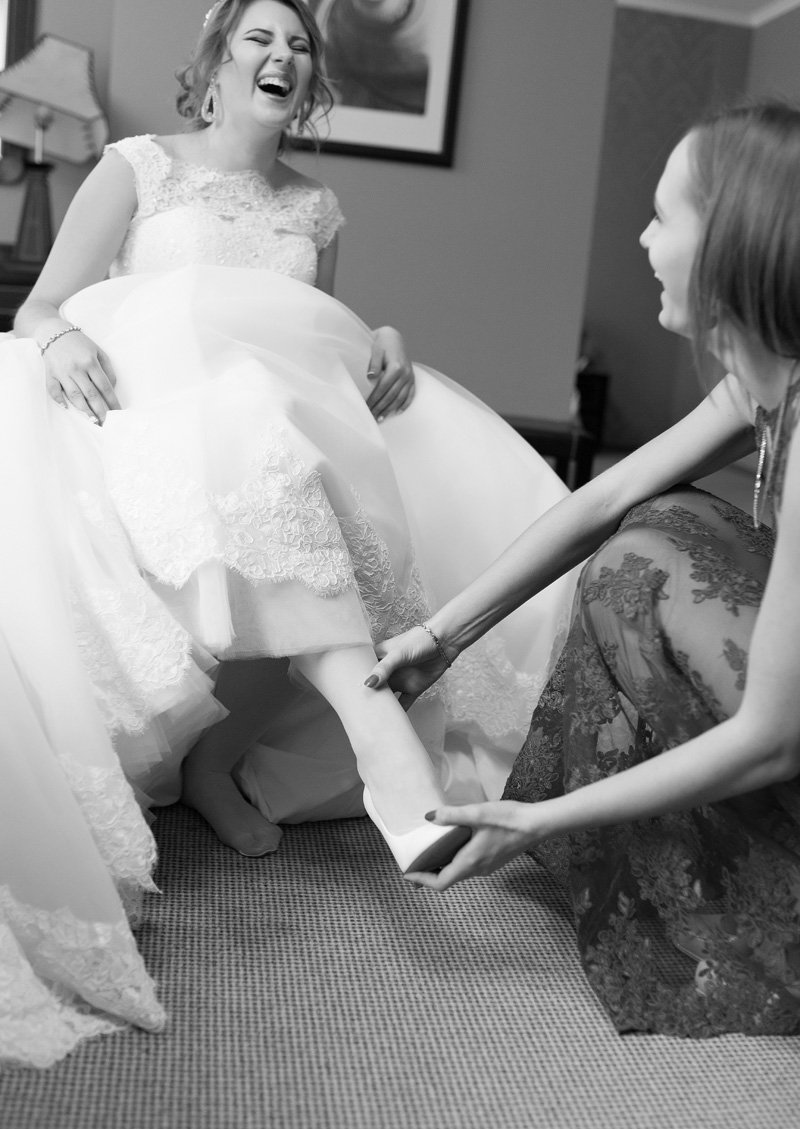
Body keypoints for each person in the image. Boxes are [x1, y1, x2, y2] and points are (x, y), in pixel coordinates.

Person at [2, 0, 575, 1063]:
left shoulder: (315, 209)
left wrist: (380, 337)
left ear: (308, 82)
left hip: (260, 425)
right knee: (256, 441)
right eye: (260, 37)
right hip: (146, 411)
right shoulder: (135, 167)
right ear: (216, 61)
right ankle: (381, 747)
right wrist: (54, 342)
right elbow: (41, 305)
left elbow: (307, 351)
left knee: (299, 455)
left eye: (300, 44)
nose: (283, 54)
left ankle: (222, 763)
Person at [371, 99, 800, 1038]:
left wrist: (542, 820)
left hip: (787, 730)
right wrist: (443, 635)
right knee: (647, 529)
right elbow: (602, 499)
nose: (642, 239)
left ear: (729, 243)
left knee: (646, 555)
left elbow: (777, 736)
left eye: (662, 215)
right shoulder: (767, 381)